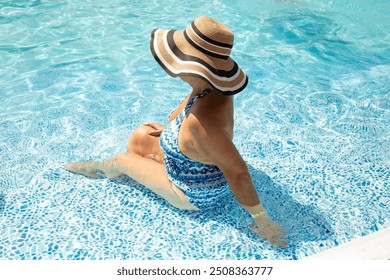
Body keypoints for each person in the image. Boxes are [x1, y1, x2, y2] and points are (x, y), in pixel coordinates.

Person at [66, 16, 287, 247]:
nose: (173, 68)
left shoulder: (201, 123)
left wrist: (263, 221)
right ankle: (144, 167)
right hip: (195, 164)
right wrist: (171, 134)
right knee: (142, 135)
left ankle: (98, 169)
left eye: (179, 59)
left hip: (192, 193)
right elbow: (183, 124)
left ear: (197, 69)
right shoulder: (210, 90)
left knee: (123, 159)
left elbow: (239, 173)